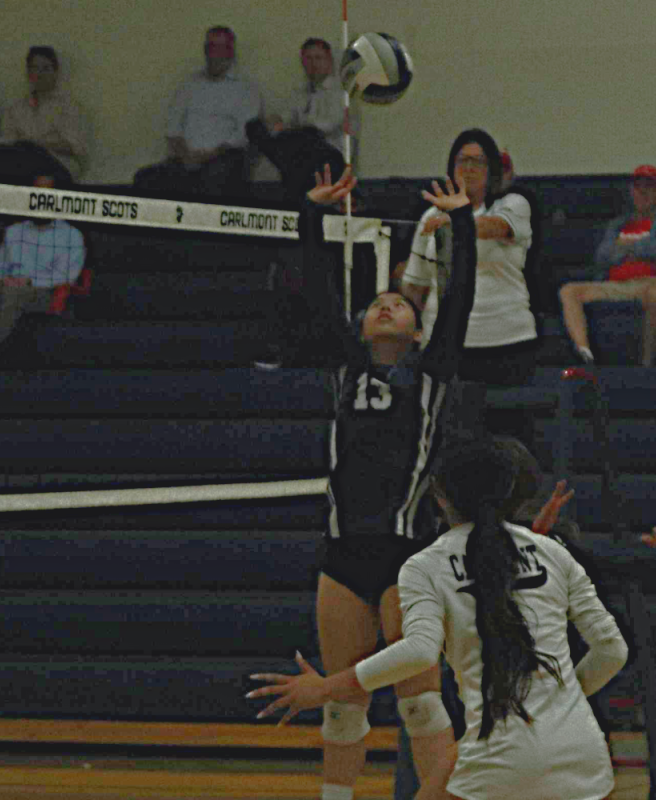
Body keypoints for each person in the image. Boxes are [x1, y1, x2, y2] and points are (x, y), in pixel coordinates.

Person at [249, 436, 631, 800]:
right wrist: (558, 704)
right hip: (583, 754)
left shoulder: (426, 564)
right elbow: (613, 651)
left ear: (439, 497)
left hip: (498, 757)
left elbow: (417, 652)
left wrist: (326, 687)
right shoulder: (554, 552)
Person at [277, 164, 475, 800]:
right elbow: (313, 291)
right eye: (377, 304)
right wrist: (314, 215)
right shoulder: (343, 367)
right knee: (343, 707)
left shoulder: (433, 372)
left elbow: (461, 296)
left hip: (408, 557)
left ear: (415, 331)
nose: (387, 305)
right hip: (341, 558)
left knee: (419, 706)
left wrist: (463, 221)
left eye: (400, 304)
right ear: (362, 328)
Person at [400, 130, 539, 388]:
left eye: (479, 161)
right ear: (452, 167)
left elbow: (493, 227)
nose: (470, 168)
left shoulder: (514, 204)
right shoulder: (431, 214)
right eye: (463, 161)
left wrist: (455, 219)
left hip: (507, 341)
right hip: (444, 344)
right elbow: (415, 285)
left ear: (492, 170)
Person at [558, 166, 656, 367]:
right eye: (638, 187)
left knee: (655, 294)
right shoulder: (617, 225)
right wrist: (640, 248)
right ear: (631, 192)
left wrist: (626, 247)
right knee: (569, 291)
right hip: (618, 284)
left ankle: (647, 364)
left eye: (649, 187)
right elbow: (602, 256)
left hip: (655, 281)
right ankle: (585, 353)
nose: (643, 192)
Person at [0, 174, 85, 361]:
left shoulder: (71, 235)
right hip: (8, 287)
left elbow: (67, 276)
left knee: (15, 295)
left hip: (44, 293)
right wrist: (2, 279)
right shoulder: (14, 231)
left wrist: (29, 281)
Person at [135, 26, 263, 199]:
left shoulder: (246, 89)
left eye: (221, 47)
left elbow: (245, 134)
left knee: (212, 179)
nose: (215, 54)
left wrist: (207, 156)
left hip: (223, 159)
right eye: (211, 47)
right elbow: (173, 128)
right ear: (205, 50)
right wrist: (186, 156)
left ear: (230, 52)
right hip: (184, 158)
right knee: (146, 178)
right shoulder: (189, 85)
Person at [247, 37, 349, 201]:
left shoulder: (342, 92)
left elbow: (325, 126)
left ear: (330, 61)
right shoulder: (299, 94)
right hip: (299, 159)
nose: (313, 63)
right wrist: (273, 122)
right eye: (308, 58)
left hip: (329, 160)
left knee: (306, 136)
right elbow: (283, 117)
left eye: (318, 58)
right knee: (255, 128)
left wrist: (289, 128)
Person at [0, 47, 88, 182]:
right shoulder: (15, 109)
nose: (40, 74)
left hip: (58, 166)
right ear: (28, 73)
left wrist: (37, 146)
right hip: (21, 166)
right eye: (35, 68)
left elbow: (74, 146)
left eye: (46, 68)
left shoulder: (68, 107)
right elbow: (5, 143)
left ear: (55, 72)